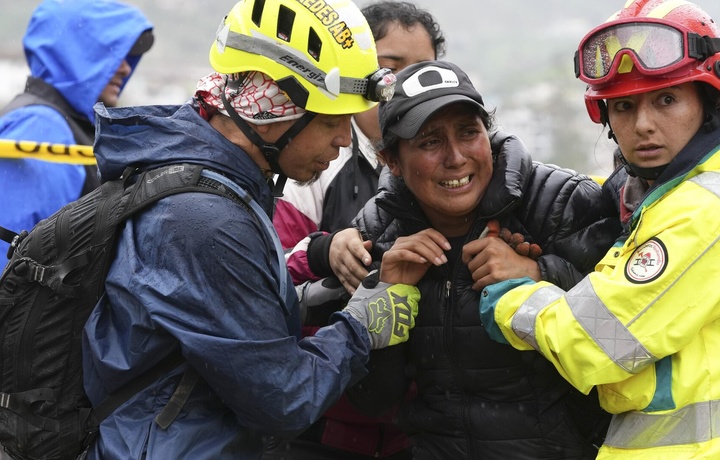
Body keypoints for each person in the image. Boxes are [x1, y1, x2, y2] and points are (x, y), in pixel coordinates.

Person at [79, 0, 425, 458]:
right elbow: (286, 399)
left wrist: (302, 298)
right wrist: (362, 325)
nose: (344, 140)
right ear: (273, 107)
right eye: (329, 120)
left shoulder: (199, 177)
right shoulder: (205, 220)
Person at [302, 60, 622, 458]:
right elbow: (376, 401)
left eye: (469, 132)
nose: (456, 158)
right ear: (391, 161)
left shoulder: (558, 202)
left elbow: (628, 332)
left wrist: (539, 274)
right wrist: (387, 294)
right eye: (430, 141)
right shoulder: (379, 229)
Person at [480, 0, 720, 458]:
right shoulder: (659, 196)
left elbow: (594, 343)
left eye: (666, 99)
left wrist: (515, 293)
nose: (643, 125)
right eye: (624, 106)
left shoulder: (702, 210)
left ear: (708, 102)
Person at [266, 2, 445, 458]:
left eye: (423, 70)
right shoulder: (315, 163)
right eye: (388, 70)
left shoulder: (453, 162)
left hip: (425, 424)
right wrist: (326, 253)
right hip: (324, 423)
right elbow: (266, 274)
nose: (403, 86)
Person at [0, 0, 154, 261]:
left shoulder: (60, 122)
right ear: (77, 52)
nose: (126, 67)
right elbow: (10, 262)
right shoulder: (40, 127)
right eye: (112, 51)